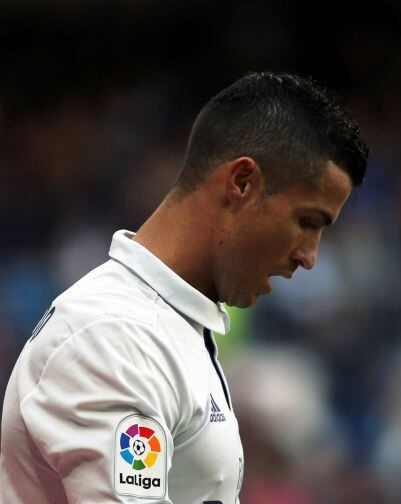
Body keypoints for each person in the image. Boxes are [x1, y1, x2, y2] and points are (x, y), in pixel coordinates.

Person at [0, 71, 368, 503]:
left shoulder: (168, 324)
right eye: (307, 222)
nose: (309, 256)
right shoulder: (113, 337)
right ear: (242, 183)